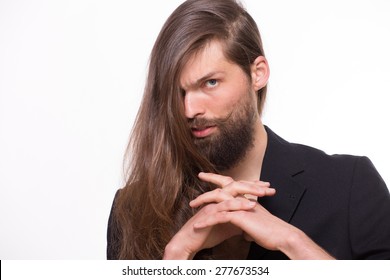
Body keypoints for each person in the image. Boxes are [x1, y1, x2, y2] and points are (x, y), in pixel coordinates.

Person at [107, 0, 390, 260]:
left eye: (210, 83)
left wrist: (291, 241)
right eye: (178, 93)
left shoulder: (350, 186)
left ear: (258, 74)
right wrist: (178, 253)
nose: (189, 110)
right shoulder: (131, 210)